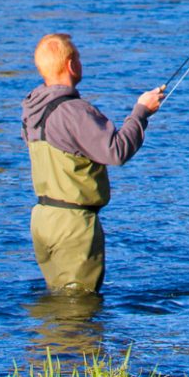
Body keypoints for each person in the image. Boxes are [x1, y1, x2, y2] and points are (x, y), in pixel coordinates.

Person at [21, 32, 164, 293]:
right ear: (72, 65)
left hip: (43, 220)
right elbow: (116, 151)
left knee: (56, 306)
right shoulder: (73, 111)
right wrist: (141, 112)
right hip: (73, 226)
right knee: (79, 310)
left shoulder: (33, 109)